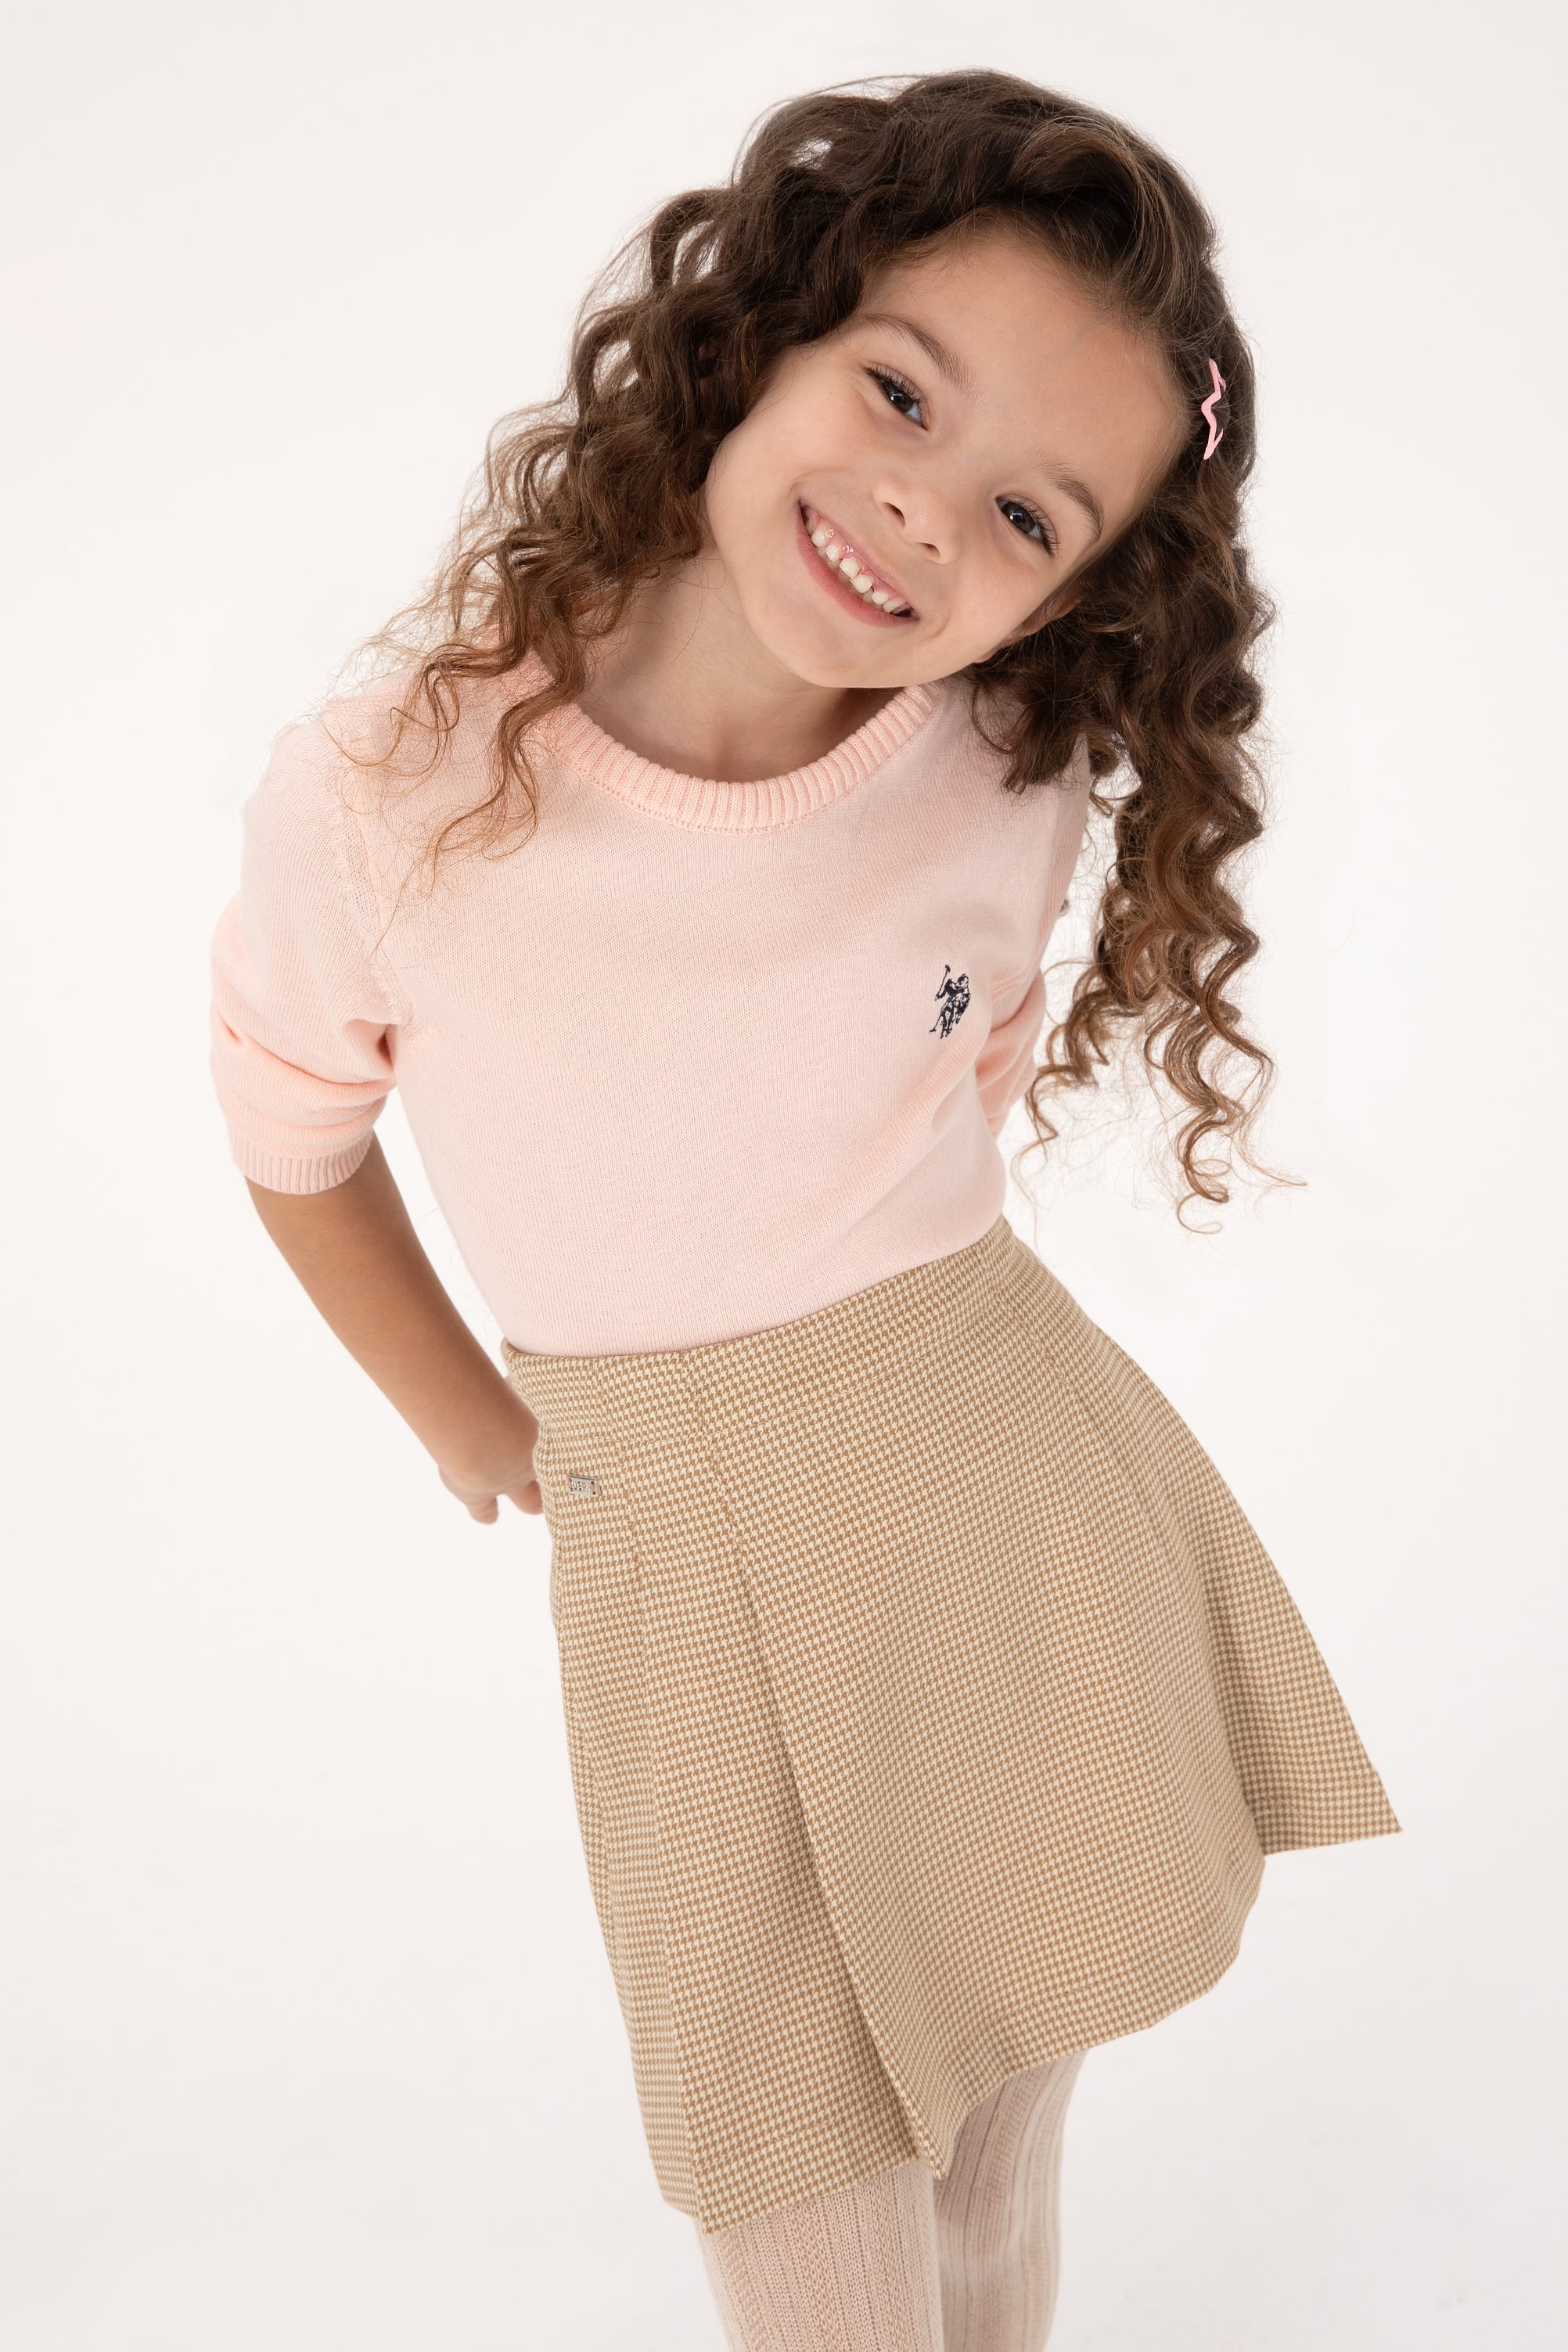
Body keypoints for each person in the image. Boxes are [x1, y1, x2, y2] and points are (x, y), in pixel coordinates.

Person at [208, 69, 1401, 2350]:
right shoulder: (390, 794)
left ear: (1076, 592)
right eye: (898, 392)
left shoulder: (1000, 781)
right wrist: (477, 1425)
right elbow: (292, 1137)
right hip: (684, 1583)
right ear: (758, 333)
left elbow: (936, 1125)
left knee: (990, 2164)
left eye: (1025, 513)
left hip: (1006, 1499)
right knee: (807, 2207)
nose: (920, 511)